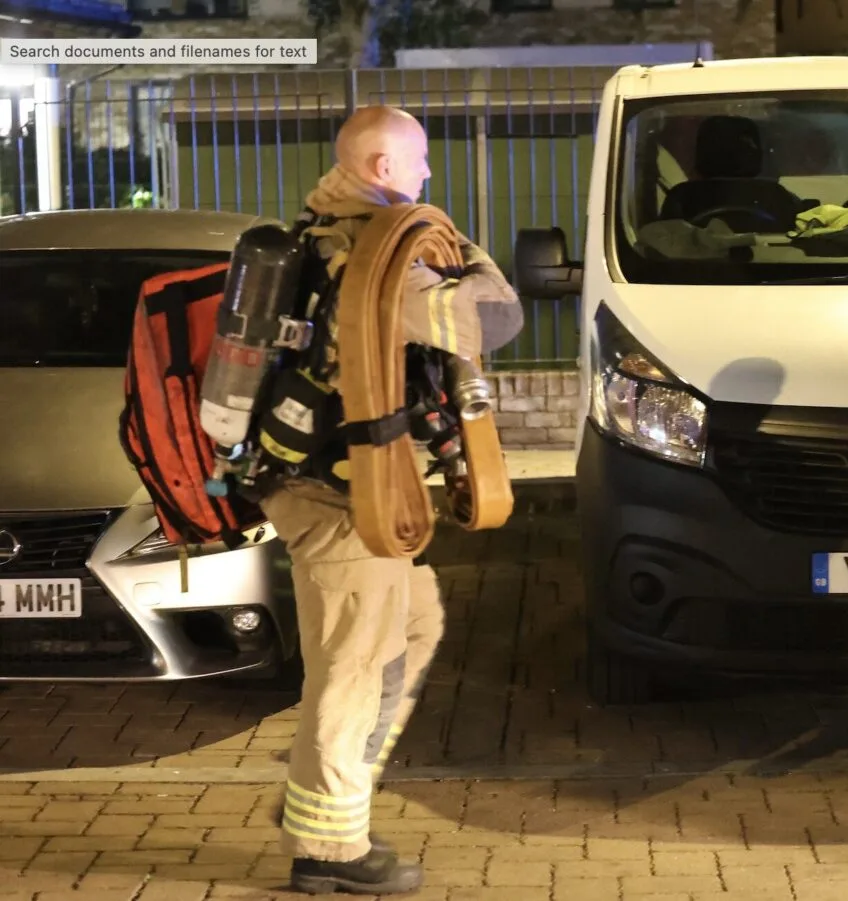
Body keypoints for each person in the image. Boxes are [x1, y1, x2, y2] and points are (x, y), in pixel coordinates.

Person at [263, 105, 522, 894]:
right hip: (343, 496)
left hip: (335, 484)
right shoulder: (371, 253)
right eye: (419, 164)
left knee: (414, 621)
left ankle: (319, 792)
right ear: (382, 169)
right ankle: (329, 850)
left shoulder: (323, 232)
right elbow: (494, 317)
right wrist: (459, 247)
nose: (429, 177)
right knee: (353, 663)